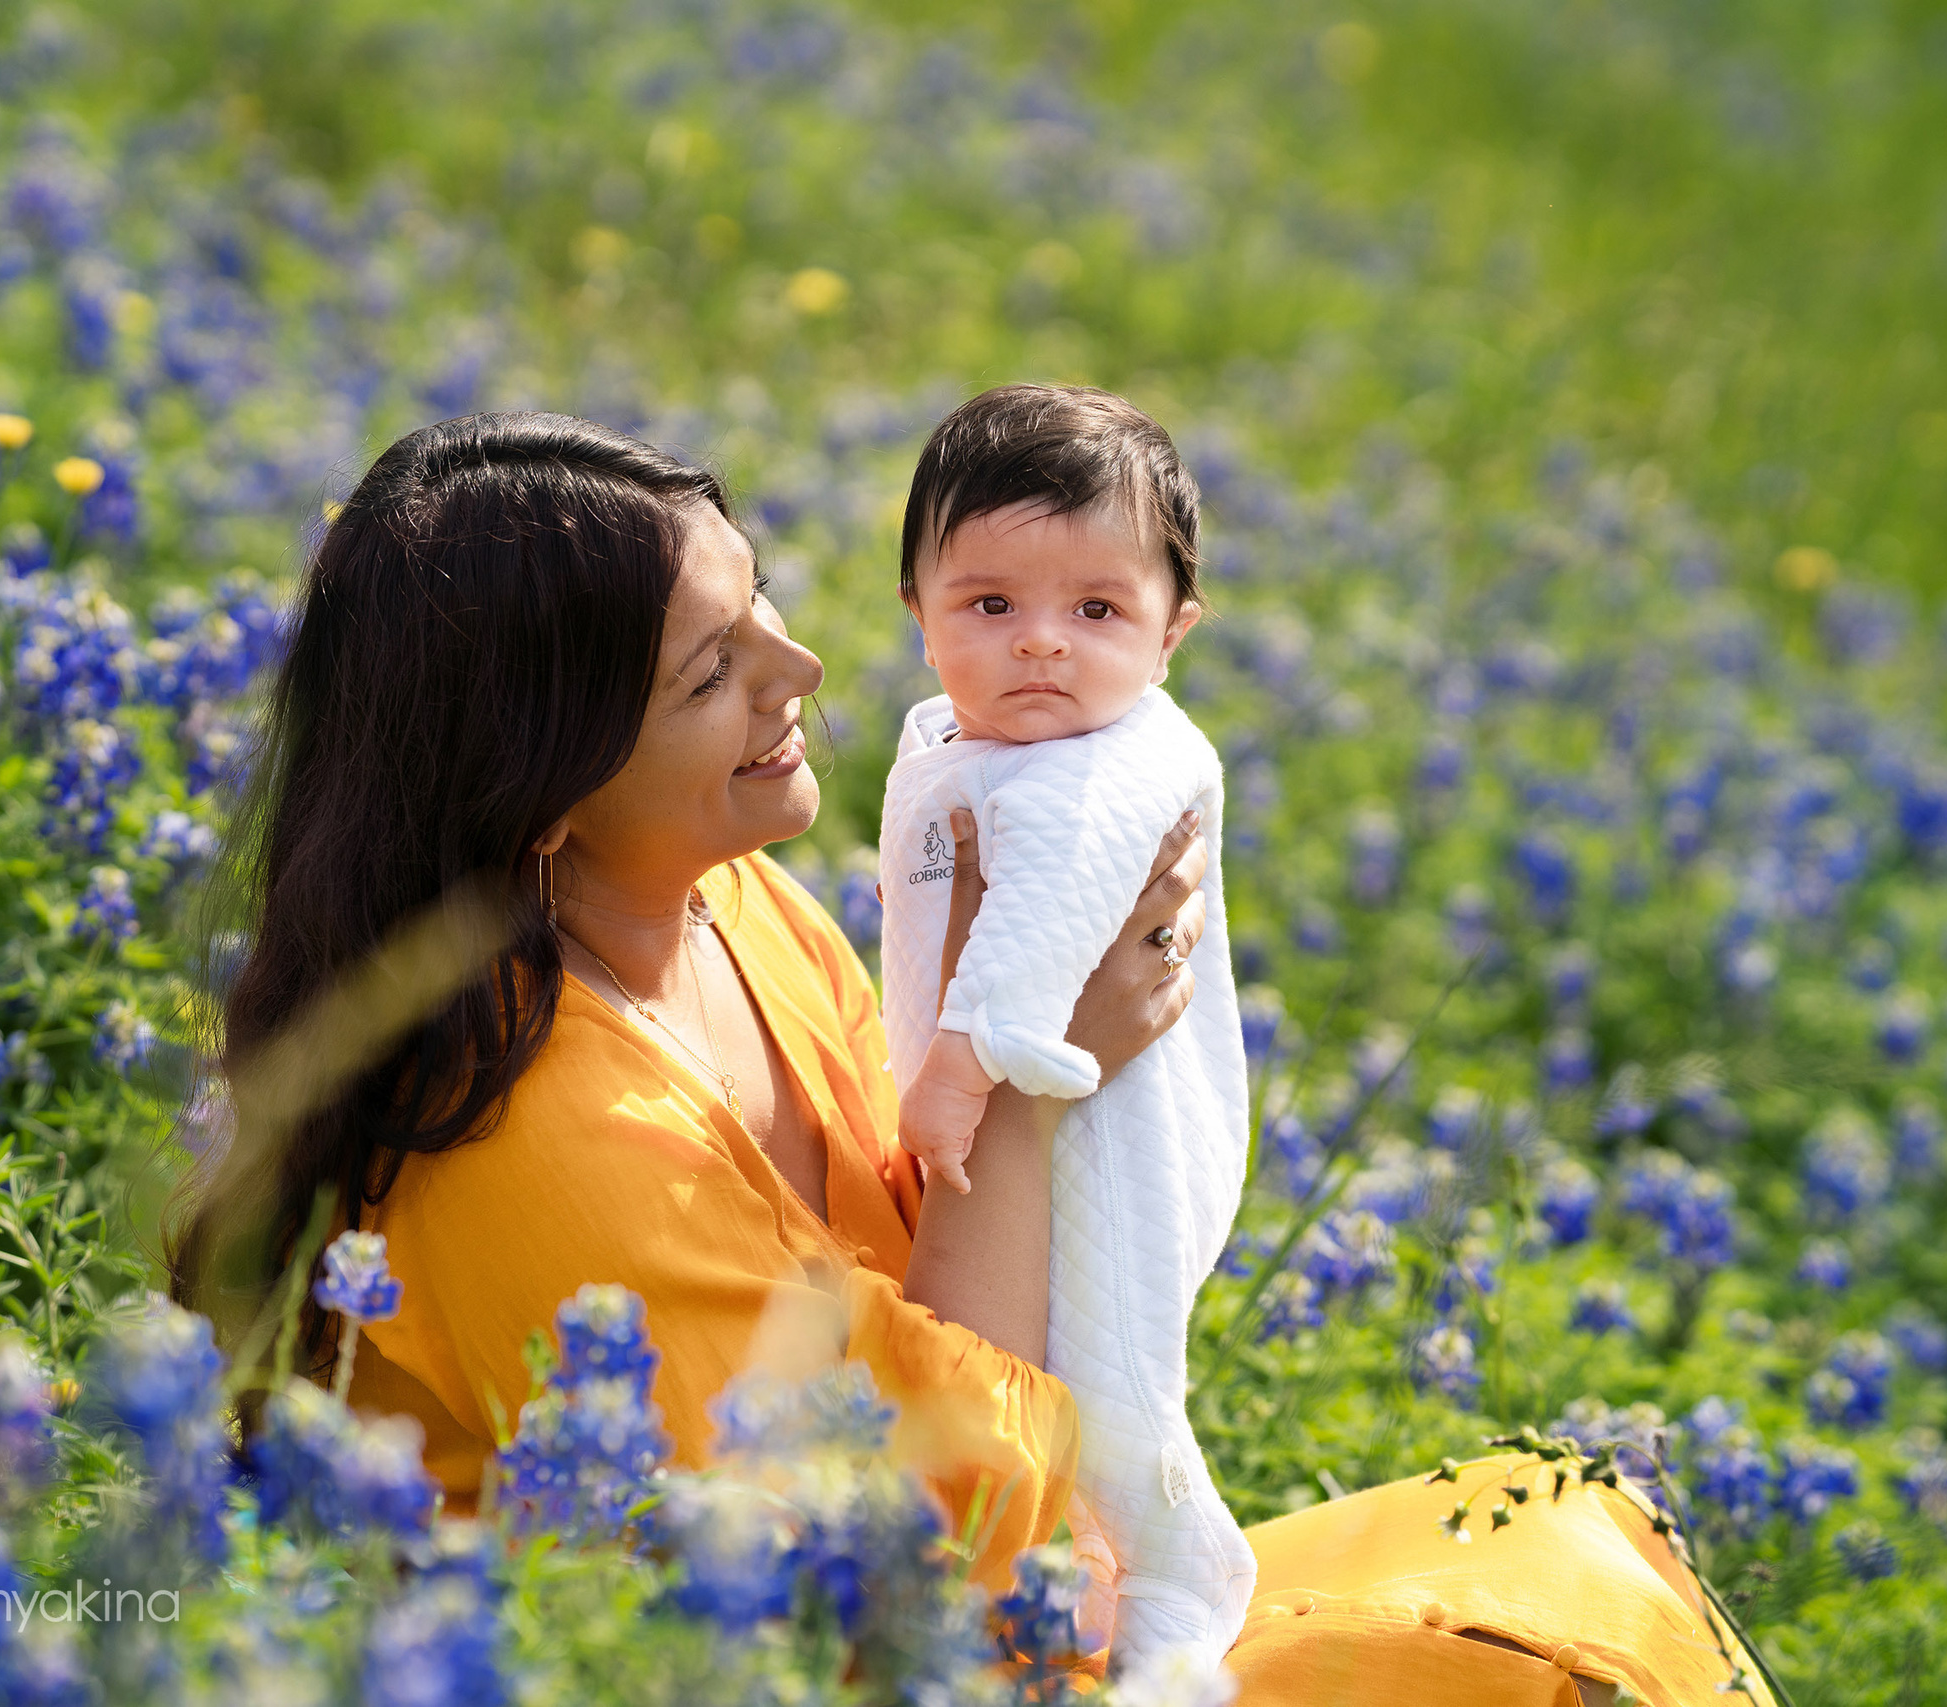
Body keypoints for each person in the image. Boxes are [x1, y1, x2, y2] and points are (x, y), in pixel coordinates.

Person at [170, 409, 1764, 1706]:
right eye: (712, 671)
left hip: (1022, 1560)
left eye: (762, 599)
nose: (800, 669)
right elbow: (905, 1551)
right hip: (815, 1650)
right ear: (540, 784)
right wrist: (1039, 1063)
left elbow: (933, 1293)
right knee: (1534, 1665)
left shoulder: (738, 905)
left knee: (1574, 1543)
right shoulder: (542, 1134)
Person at [881, 385, 1253, 1670]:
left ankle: (1167, 1608)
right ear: (919, 616)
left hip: (1101, 1128)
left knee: (1109, 1392)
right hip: (1035, 1124)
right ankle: (1080, 1588)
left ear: (1171, 633)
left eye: (1096, 611)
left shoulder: (1104, 768)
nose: (1041, 644)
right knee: (1055, 1392)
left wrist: (962, 1062)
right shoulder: (964, 738)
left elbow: (1047, 907)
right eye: (990, 605)